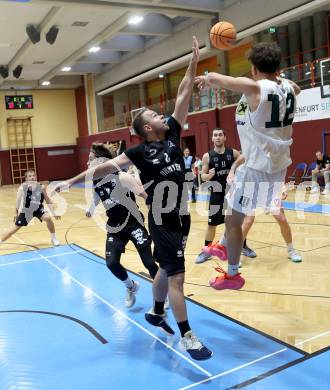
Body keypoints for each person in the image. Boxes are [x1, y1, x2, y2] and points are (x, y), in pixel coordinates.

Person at [55, 37, 212, 360]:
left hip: (181, 215)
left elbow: (184, 93)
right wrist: (67, 181)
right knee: (177, 278)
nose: (161, 115)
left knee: (166, 270)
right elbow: (101, 169)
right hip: (162, 220)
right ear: (147, 128)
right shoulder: (137, 152)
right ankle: (188, 336)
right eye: (155, 115)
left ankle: (155, 312)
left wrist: (193, 60)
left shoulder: (172, 135)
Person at [195, 42, 301, 290]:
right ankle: (222, 246)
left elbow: (227, 80)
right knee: (239, 213)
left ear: (254, 69)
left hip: (256, 167)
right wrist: (277, 76)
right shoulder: (288, 87)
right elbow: (294, 87)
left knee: (232, 220)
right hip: (277, 166)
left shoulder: (255, 88)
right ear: (277, 67)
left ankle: (233, 275)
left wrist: (207, 77)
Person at [85, 143, 159, 308]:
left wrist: (156, 221)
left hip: (133, 223)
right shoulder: (96, 182)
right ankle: (131, 286)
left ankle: (163, 294)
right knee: (111, 263)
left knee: (148, 262)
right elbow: (98, 196)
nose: (87, 163)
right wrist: (91, 208)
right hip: (115, 226)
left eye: (90, 159)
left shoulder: (123, 177)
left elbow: (146, 197)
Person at [195, 128, 245, 263]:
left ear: (225, 137)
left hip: (232, 194)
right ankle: (206, 251)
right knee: (212, 225)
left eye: (220, 135)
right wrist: (208, 175)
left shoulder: (233, 153)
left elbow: (244, 161)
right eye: (215, 135)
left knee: (235, 225)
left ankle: (241, 248)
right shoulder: (207, 156)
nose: (217, 137)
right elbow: (203, 176)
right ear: (212, 139)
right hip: (216, 195)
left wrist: (235, 171)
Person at [0, 169, 60, 246]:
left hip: (38, 209)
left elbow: (47, 200)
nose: (32, 177)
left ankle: (53, 238)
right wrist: (16, 213)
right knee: (15, 228)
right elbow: (18, 202)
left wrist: (54, 212)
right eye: (30, 176)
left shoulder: (41, 187)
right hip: (27, 211)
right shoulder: (22, 188)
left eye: (33, 175)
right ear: (26, 179)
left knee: (48, 218)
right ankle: (1, 241)